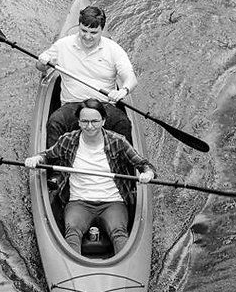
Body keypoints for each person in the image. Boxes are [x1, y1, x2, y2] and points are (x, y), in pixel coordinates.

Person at [25, 99, 155, 255]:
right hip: (78, 202)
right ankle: (73, 272)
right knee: (72, 231)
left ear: (103, 121)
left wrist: (148, 173)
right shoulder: (68, 140)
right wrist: (37, 159)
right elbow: (47, 155)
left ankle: (127, 271)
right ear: (78, 122)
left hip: (113, 202)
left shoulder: (118, 141)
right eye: (85, 121)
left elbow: (144, 164)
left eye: (94, 121)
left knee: (119, 232)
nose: (90, 126)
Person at [37, 4, 136, 146]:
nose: (87, 36)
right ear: (79, 26)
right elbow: (40, 68)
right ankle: (55, 167)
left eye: (93, 32)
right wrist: (43, 62)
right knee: (54, 122)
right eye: (84, 30)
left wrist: (123, 90)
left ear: (101, 30)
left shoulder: (114, 49)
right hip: (72, 105)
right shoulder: (63, 45)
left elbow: (131, 78)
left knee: (123, 123)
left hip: (103, 106)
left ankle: (126, 166)